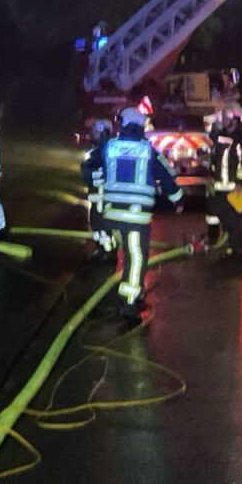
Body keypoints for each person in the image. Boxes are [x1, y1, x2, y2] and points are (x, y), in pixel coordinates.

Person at [103, 105, 183, 325]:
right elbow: (166, 177)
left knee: (129, 255)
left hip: (112, 215)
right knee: (136, 258)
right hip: (135, 217)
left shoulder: (110, 147)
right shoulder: (147, 150)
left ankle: (135, 295)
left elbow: (95, 170)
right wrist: (178, 200)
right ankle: (127, 303)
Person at [208, 106, 242, 258]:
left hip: (234, 186)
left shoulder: (241, 138)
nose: (224, 121)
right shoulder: (220, 135)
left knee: (233, 218)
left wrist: (240, 182)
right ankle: (229, 243)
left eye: (227, 119)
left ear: (234, 119)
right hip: (220, 184)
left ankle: (236, 247)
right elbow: (215, 156)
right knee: (222, 215)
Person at [81, 117, 115, 257]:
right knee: (99, 223)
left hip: (101, 197)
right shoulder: (109, 149)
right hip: (101, 196)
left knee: (100, 222)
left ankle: (106, 251)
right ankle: (104, 249)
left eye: (96, 132)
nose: (93, 135)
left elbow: (87, 173)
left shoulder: (98, 152)